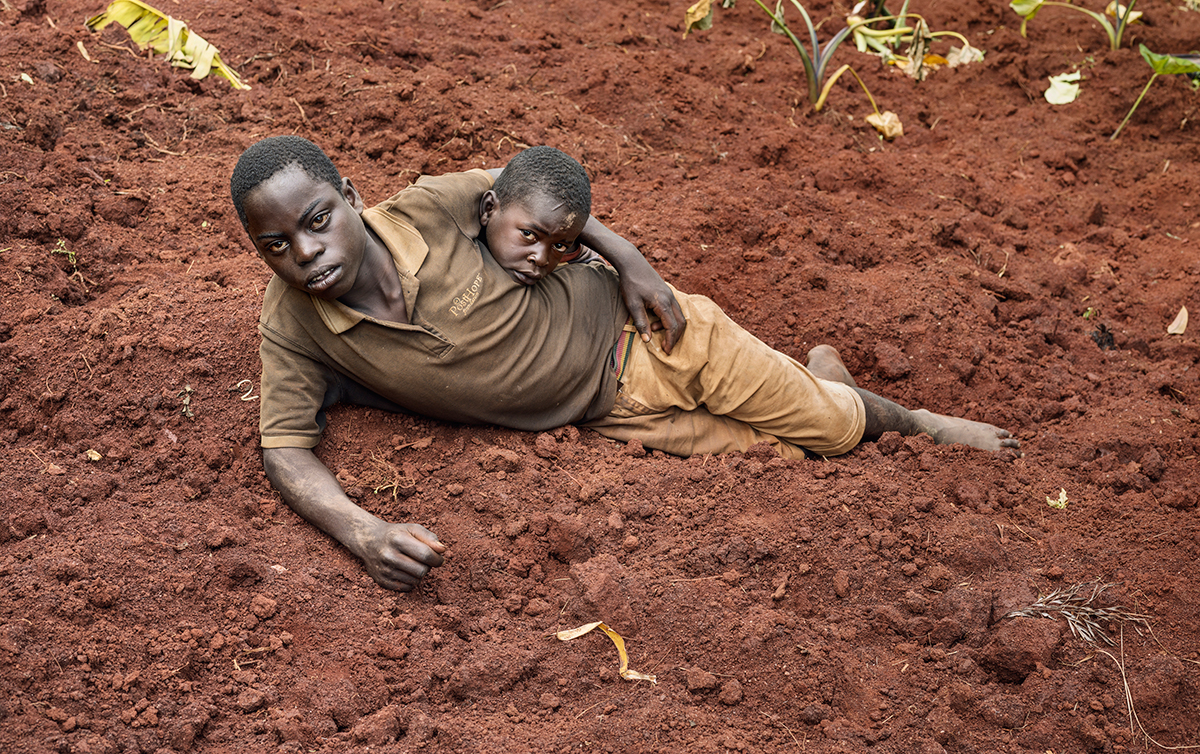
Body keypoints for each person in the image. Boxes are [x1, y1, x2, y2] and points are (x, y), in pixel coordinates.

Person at [231, 137, 1018, 592]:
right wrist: (363, 532)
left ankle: (910, 419)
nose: (305, 252)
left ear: (348, 194)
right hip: (610, 414)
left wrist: (630, 258)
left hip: (656, 337)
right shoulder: (294, 322)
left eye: (316, 221)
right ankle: (821, 384)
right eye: (276, 245)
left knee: (836, 432)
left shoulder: (433, 205)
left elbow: (533, 194)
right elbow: (285, 450)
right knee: (786, 457)